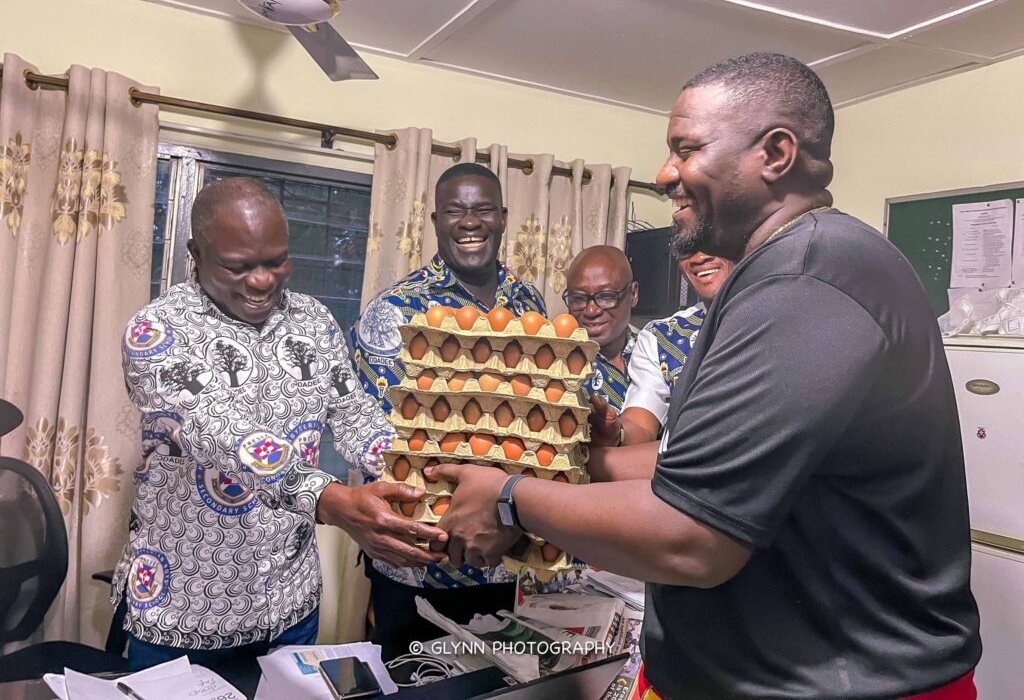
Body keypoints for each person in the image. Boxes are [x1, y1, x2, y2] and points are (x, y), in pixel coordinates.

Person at [426, 53, 981, 699]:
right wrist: (584, 458)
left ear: (775, 153)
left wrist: (508, 496)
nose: (666, 174)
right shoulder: (783, 268)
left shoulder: (809, 278)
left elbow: (692, 541)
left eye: (686, 149)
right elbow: (706, 464)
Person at [118, 178, 446, 670]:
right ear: (196, 252)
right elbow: (220, 433)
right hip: (183, 611)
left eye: (276, 260)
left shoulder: (313, 320)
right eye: (238, 265)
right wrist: (332, 499)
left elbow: (353, 414)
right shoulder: (156, 331)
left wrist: (417, 474)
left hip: (291, 604)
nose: (262, 280)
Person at [351, 163, 545, 659]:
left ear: (503, 218)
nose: (470, 221)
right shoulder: (394, 311)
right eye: (456, 211)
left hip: (515, 553)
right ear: (435, 221)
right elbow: (384, 440)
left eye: (482, 209)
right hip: (424, 557)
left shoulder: (531, 303)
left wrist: (518, 506)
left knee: (510, 688)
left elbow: (543, 418)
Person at [600, 252, 735, 446]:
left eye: (606, 297)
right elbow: (641, 423)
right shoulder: (663, 336)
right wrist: (616, 433)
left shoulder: (786, 318)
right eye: (687, 247)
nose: (700, 256)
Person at [563, 246, 638, 412]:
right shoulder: (558, 366)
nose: (591, 310)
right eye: (579, 299)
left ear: (633, 294)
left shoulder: (655, 352)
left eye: (606, 296)